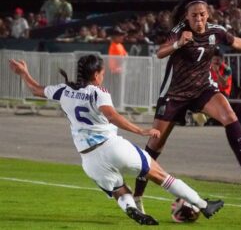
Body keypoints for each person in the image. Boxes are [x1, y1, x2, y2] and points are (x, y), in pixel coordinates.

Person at [8, 55, 224, 225]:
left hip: (89, 160)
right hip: (113, 147)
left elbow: (36, 90)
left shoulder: (64, 91)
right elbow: (112, 115)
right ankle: (204, 205)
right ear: (97, 74)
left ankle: (130, 208)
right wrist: (140, 130)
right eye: (102, 72)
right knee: (161, 176)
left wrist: (23, 73)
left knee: (120, 190)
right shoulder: (98, 91)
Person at [134, 0, 241, 213]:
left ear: (208, 15)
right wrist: (178, 43)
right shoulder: (179, 30)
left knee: (229, 114)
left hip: (202, 89)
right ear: (187, 17)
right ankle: (138, 196)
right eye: (194, 16)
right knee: (155, 146)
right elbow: (160, 52)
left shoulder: (215, 31)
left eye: (201, 15)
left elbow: (234, 41)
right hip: (174, 93)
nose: (198, 19)